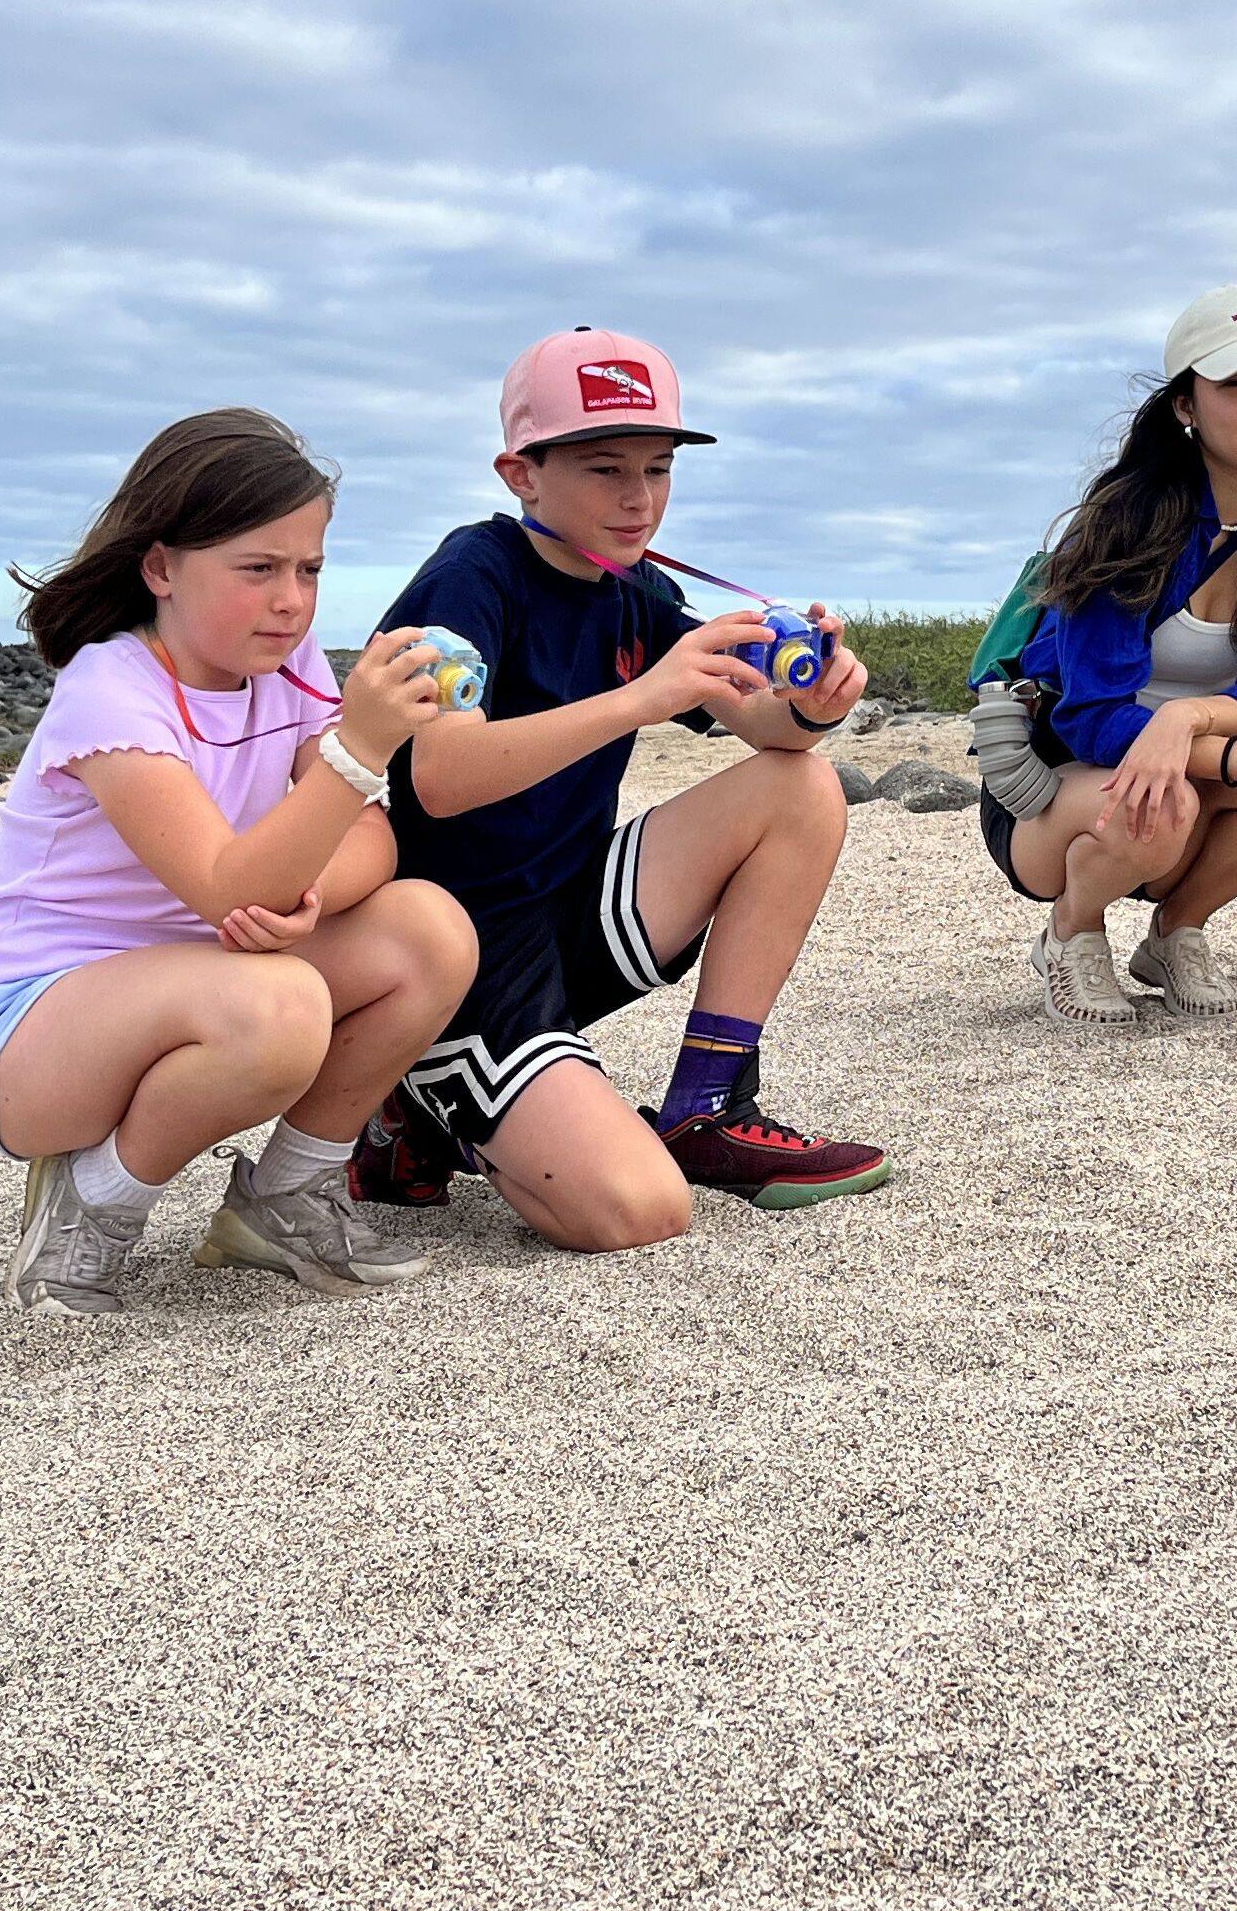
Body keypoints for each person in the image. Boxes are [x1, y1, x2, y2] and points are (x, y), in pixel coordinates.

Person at [350, 328, 894, 1250]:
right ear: (520, 474)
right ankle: (412, 1101)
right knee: (638, 1211)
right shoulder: (470, 576)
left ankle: (706, 1106)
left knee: (800, 787)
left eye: (657, 468)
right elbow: (441, 778)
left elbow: (764, 729)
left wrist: (814, 706)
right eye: (605, 469)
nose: (639, 497)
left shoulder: (634, 587)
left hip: (567, 912)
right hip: (456, 952)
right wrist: (642, 697)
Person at [0, 410, 481, 1317]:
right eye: (258, 569)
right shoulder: (111, 690)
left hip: (208, 973)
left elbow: (371, 843)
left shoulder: (290, 667)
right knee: (281, 1007)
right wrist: (360, 749)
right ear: (161, 568)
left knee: (429, 931)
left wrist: (308, 898)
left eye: (309, 569)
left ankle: (285, 1200)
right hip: (35, 1028)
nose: (292, 601)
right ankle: (91, 1206)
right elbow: (228, 887)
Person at [994, 286, 1237, 1026]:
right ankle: (1071, 930)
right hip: (1062, 795)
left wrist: (1190, 719)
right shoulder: (1128, 526)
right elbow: (1090, 719)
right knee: (1171, 800)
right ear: (1185, 406)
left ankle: (1175, 932)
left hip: (1184, 782)